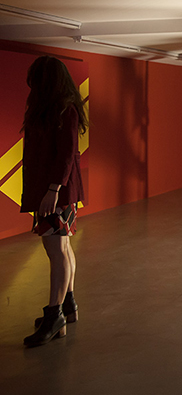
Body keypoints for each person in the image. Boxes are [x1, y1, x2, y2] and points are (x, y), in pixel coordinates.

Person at [20, 55, 87, 347]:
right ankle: (67, 305)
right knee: (63, 248)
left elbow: (66, 154)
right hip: (54, 192)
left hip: (56, 193)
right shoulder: (51, 109)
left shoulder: (64, 109)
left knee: (56, 251)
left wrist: (52, 190)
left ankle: (54, 315)